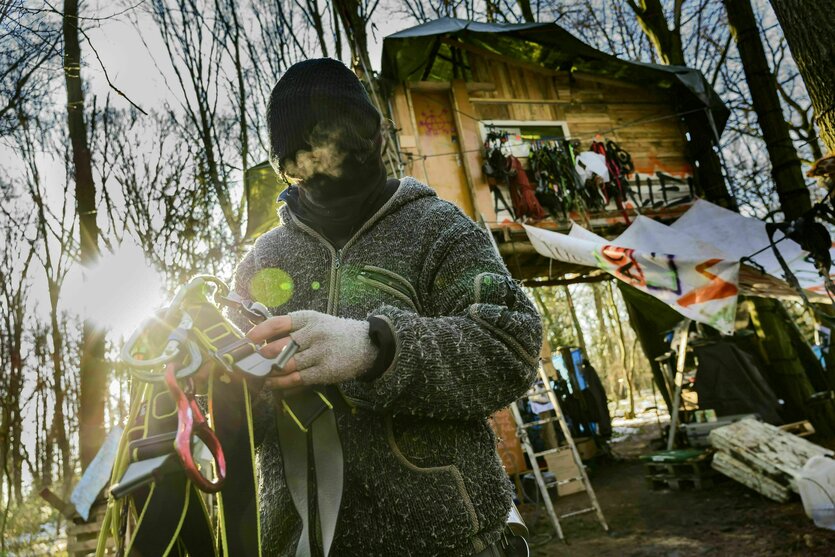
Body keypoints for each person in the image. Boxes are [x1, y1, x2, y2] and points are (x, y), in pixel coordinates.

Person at [232, 58, 542, 556]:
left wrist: (375, 348)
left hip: (449, 544)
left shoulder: (438, 227)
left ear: (377, 137)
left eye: (350, 141)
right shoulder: (260, 263)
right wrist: (217, 387)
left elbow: (512, 347)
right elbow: (244, 425)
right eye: (310, 151)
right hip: (302, 546)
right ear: (288, 167)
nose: (335, 162)